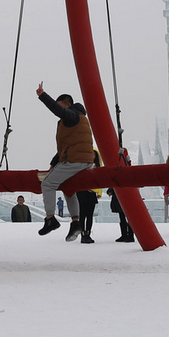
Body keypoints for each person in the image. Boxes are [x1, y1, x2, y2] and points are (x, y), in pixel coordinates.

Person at [35, 82, 94, 241]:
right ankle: (76, 222)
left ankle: (50, 219)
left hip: (75, 161)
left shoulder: (72, 116)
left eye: (60, 106)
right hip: (83, 160)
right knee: (69, 188)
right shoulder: (79, 119)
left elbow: (57, 110)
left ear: (68, 105)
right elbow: (68, 146)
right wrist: (54, 162)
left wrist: (43, 96)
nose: (59, 110)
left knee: (47, 184)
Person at [75, 150, 103, 244]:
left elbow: (100, 180)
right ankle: (83, 234)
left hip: (92, 192)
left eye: (94, 154)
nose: (92, 156)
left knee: (90, 215)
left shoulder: (97, 167)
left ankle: (88, 233)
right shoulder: (82, 165)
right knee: (82, 214)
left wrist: (99, 192)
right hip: (82, 191)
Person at [108, 146, 135, 242]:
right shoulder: (126, 164)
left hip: (121, 193)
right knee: (124, 215)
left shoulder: (120, 164)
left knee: (124, 216)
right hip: (122, 193)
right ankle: (127, 235)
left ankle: (128, 235)